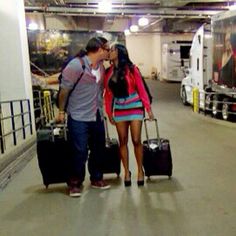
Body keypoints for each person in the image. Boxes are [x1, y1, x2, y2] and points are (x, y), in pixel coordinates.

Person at [56, 37, 111, 197]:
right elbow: (64, 91)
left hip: (96, 115)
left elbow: (99, 89)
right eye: (107, 49)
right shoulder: (76, 66)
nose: (109, 52)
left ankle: (96, 178)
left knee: (98, 148)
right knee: (79, 150)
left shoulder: (101, 67)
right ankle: (75, 183)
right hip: (78, 116)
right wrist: (61, 112)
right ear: (100, 49)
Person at [104, 43, 154, 187]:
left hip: (135, 106)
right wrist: (109, 112)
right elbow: (108, 94)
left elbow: (141, 89)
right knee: (123, 140)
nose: (110, 52)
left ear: (119, 52)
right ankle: (126, 171)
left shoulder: (132, 70)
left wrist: (148, 109)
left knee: (136, 139)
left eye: (112, 50)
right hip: (119, 108)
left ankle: (140, 170)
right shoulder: (109, 72)